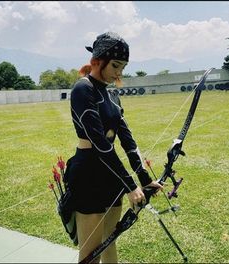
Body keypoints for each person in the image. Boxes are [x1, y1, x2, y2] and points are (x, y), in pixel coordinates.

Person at [64, 32, 163, 263]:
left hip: (110, 175)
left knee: (110, 240)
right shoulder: (83, 89)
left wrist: (145, 178)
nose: (119, 72)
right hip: (88, 173)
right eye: (116, 65)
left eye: (123, 67)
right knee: (91, 252)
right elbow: (99, 143)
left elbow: (127, 140)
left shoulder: (112, 96)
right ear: (98, 60)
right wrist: (130, 185)